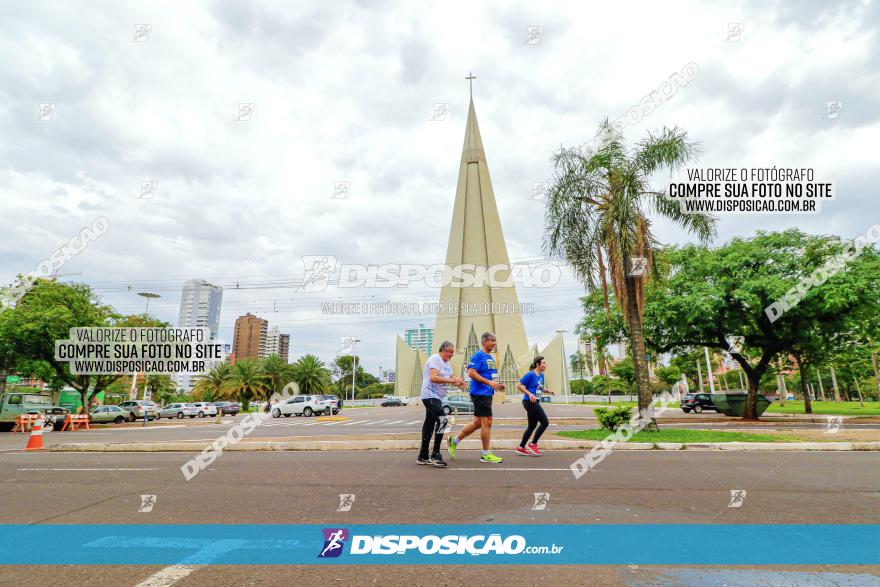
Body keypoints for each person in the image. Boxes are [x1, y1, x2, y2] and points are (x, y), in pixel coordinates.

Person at [447, 332, 505, 464]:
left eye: (495, 341)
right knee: (487, 422)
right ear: (483, 342)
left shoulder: (490, 357)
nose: (494, 343)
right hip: (480, 394)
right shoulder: (479, 355)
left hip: (487, 393)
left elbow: (491, 377)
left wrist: (497, 384)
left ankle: (454, 441)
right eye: (491, 340)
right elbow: (471, 373)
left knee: (478, 423)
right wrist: (490, 383)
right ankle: (485, 454)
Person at [418, 340, 466, 467]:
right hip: (429, 395)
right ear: (443, 350)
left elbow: (451, 376)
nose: (451, 355)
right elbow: (433, 377)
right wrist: (451, 381)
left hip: (438, 397)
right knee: (443, 420)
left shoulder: (447, 363)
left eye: (452, 353)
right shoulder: (435, 359)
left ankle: (423, 456)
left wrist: (458, 381)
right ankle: (435, 454)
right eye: (450, 352)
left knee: (429, 424)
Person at [515, 355, 550, 456]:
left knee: (532, 426)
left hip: (535, 402)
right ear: (538, 364)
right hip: (529, 402)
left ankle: (521, 447)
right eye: (543, 363)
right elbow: (519, 385)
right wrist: (529, 394)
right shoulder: (530, 374)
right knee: (545, 422)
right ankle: (533, 444)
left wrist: (546, 390)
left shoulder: (541, 375)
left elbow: (538, 387)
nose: (545, 365)